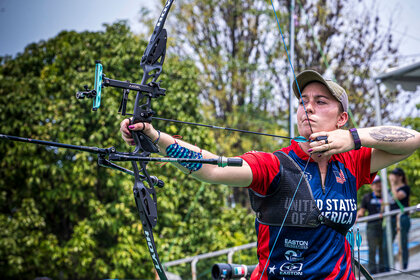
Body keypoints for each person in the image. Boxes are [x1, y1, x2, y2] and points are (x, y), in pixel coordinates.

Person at [120, 70, 420, 279]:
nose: (308, 108)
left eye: (321, 102)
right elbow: (210, 167)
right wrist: (155, 136)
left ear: (341, 118)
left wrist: (353, 138)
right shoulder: (275, 165)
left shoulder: (352, 162)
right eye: (303, 101)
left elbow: (412, 140)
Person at [357, 175, 386, 274]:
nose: (378, 185)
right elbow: (361, 211)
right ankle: (372, 271)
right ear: (371, 186)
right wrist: (356, 217)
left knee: (384, 248)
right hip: (372, 226)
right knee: (372, 248)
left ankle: (383, 269)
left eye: (379, 183)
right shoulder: (367, 197)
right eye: (375, 183)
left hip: (385, 226)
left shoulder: (386, 195)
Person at [389, 167, 411, 270]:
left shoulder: (405, 188)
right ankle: (389, 266)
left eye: (395, 175)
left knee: (402, 242)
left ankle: (404, 266)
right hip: (391, 218)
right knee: (387, 243)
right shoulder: (390, 189)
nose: (392, 176)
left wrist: (392, 184)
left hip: (402, 218)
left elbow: (397, 197)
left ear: (400, 177)